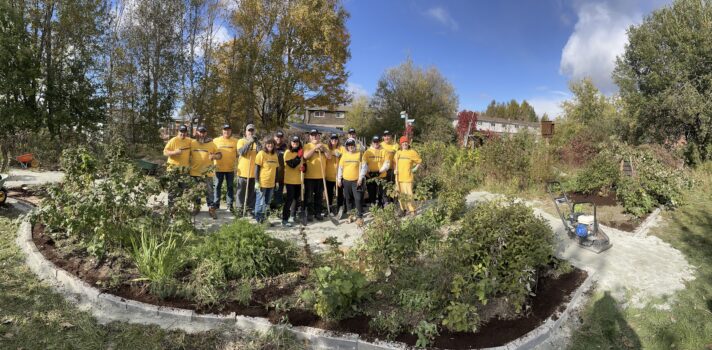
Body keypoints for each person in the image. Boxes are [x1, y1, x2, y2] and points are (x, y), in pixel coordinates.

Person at [190, 126, 221, 219]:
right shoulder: (192, 143)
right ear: (197, 133)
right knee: (196, 192)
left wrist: (214, 156)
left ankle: (211, 209)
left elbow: (220, 155)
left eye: (203, 132)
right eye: (200, 132)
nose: (201, 134)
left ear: (206, 133)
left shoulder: (211, 144)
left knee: (209, 192)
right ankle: (196, 207)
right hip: (195, 172)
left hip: (208, 173)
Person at [303, 129, 331, 221]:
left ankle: (318, 213)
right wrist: (315, 148)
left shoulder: (325, 145)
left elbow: (329, 156)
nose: (314, 137)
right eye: (312, 135)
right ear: (310, 137)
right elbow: (305, 156)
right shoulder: (307, 146)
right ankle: (310, 214)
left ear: (319, 136)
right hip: (309, 176)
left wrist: (323, 149)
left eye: (316, 135)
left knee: (319, 196)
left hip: (321, 176)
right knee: (309, 196)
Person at [337, 138, 367, 225]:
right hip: (346, 181)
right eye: (349, 145)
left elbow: (364, 167)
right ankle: (350, 215)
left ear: (355, 145)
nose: (351, 147)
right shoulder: (344, 155)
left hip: (356, 181)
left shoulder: (360, 154)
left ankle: (359, 217)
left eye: (352, 145)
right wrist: (339, 179)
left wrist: (360, 178)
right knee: (348, 199)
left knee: (358, 199)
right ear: (347, 147)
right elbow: (340, 168)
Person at [163, 124, 193, 207]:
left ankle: (179, 208)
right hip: (173, 170)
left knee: (182, 190)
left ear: (186, 133)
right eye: (181, 132)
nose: (183, 134)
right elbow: (165, 152)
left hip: (184, 170)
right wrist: (174, 152)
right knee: (172, 190)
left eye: (184, 132)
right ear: (178, 132)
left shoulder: (189, 141)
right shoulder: (173, 140)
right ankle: (171, 209)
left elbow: (197, 144)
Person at [236, 124, 261, 215]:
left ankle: (250, 209)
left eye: (252, 130)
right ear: (245, 132)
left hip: (253, 173)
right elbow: (242, 152)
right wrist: (249, 142)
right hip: (243, 172)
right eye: (249, 130)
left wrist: (257, 143)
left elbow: (261, 153)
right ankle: (239, 209)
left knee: (251, 194)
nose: (251, 132)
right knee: (241, 192)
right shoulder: (241, 141)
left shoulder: (257, 142)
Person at [394, 136, 422, 216]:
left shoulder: (412, 152)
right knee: (401, 195)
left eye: (406, 142)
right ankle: (403, 210)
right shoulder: (398, 153)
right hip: (399, 178)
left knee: (409, 195)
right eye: (403, 142)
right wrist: (395, 170)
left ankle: (412, 210)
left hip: (408, 177)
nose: (404, 144)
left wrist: (415, 168)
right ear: (401, 144)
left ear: (408, 143)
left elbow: (419, 161)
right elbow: (394, 163)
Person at [213, 124, 238, 212]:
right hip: (218, 168)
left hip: (230, 169)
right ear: (222, 131)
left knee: (230, 187)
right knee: (217, 186)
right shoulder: (216, 140)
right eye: (225, 130)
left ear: (231, 131)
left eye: (228, 130)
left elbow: (239, 154)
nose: (226, 131)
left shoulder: (235, 141)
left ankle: (229, 205)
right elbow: (211, 152)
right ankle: (216, 204)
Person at [253, 139, 279, 224]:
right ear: (265, 144)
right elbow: (257, 168)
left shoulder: (275, 155)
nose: (270, 145)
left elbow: (276, 169)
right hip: (262, 183)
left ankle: (265, 219)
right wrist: (257, 181)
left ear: (274, 145)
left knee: (267, 203)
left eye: (271, 143)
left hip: (271, 184)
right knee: (260, 202)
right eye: (268, 143)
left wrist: (276, 181)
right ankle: (259, 220)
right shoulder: (261, 154)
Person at [282, 136, 303, 227]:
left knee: (296, 199)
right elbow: (292, 165)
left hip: (299, 180)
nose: (295, 143)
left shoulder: (300, 153)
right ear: (290, 143)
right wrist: (298, 156)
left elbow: (303, 164)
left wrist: (304, 168)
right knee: (289, 199)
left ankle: (293, 215)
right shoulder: (287, 152)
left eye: (297, 142)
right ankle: (285, 219)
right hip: (290, 180)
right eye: (293, 142)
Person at [363, 135, 390, 208]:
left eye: (377, 142)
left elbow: (387, 163)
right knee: (372, 193)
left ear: (379, 142)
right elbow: (364, 163)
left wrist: (380, 171)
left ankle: (384, 206)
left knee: (383, 192)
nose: (376, 143)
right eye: (374, 142)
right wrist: (369, 171)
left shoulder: (384, 151)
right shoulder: (367, 152)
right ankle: (374, 207)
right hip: (370, 176)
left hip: (382, 175)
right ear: (372, 142)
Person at [325, 133, 345, 216]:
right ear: (330, 140)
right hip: (329, 175)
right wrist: (333, 153)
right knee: (329, 194)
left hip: (339, 176)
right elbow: (326, 155)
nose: (334, 141)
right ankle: (329, 209)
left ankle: (339, 208)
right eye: (332, 139)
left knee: (340, 194)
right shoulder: (327, 148)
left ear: (338, 140)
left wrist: (340, 155)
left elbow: (345, 156)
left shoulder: (342, 148)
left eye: (336, 139)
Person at [381, 130, 398, 204]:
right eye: (385, 136)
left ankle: (393, 201)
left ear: (391, 136)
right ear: (383, 137)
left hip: (392, 169)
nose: (386, 137)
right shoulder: (380, 145)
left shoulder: (395, 145)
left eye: (388, 135)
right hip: (383, 169)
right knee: (384, 186)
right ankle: (385, 202)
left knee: (393, 185)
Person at [271, 131, 287, 209]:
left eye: (280, 137)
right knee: (269, 193)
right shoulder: (270, 146)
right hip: (270, 175)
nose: (279, 139)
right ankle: (267, 208)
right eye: (277, 137)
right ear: (274, 137)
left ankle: (278, 209)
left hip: (280, 176)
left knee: (278, 193)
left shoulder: (285, 148)